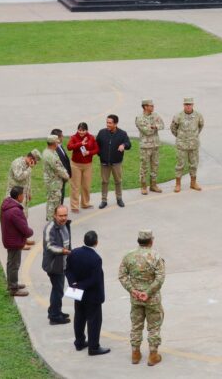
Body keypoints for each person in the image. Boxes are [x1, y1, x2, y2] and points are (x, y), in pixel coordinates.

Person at [119, 229, 166, 366]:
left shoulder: (129, 256)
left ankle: (135, 353)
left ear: (138, 241)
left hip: (136, 298)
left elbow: (122, 276)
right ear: (151, 240)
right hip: (152, 299)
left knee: (136, 325)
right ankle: (153, 355)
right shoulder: (155, 256)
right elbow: (160, 278)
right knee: (154, 326)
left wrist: (132, 290)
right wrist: (148, 292)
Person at [66, 230, 109, 356]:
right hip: (92, 295)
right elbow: (95, 279)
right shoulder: (96, 259)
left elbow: (68, 270)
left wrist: (73, 283)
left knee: (79, 317)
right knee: (94, 321)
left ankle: (79, 342)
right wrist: (81, 285)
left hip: (77, 292)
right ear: (96, 242)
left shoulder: (74, 253)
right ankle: (93, 347)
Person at [0, 186, 33, 296]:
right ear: (19, 196)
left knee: (11, 264)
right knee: (14, 265)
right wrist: (30, 232)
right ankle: (13, 288)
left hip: (9, 240)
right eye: (23, 194)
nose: (24, 196)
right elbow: (23, 227)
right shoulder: (15, 211)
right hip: (14, 241)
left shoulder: (7, 205)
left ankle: (12, 283)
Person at [43, 205, 71, 325]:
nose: (63, 218)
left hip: (63, 263)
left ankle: (55, 310)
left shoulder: (66, 225)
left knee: (58, 289)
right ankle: (54, 316)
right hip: (54, 265)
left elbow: (68, 242)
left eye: (65, 215)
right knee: (58, 290)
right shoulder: (50, 228)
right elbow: (49, 246)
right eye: (60, 216)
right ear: (55, 215)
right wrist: (63, 251)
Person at [96, 115, 131, 209]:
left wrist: (123, 145)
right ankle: (104, 200)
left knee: (118, 181)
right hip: (104, 163)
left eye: (110, 123)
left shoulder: (122, 134)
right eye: (107, 122)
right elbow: (96, 145)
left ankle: (119, 198)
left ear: (115, 124)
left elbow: (129, 144)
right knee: (104, 181)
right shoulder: (102, 132)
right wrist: (101, 154)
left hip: (117, 163)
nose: (107, 124)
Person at [170, 97, 205, 192]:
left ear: (193, 105)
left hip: (193, 145)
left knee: (194, 164)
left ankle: (193, 183)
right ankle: (178, 184)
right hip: (182, 145)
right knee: (180, 164)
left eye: (190, 104)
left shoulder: (198, 115)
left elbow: (200, 126)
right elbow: (173, 128)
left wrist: (194, 136)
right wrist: (180, 137)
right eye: (186, 104)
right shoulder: (178, 116)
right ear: (183, 105)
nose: (188, 106)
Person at [135, 99, 166, 195]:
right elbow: (147, 131)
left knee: (155, 165)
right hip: (145, 146)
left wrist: (154, 127)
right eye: (151, 106)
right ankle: (143, 186)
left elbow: (162, 125)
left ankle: (153, 185)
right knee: (144, 166)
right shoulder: (139, 118)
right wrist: (155, 127)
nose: (153, 107)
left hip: (155, 145)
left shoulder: (155, 115)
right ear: (145, 107)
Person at [67, 123, 98, 212]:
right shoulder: (73, 137)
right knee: (75, 186)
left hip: (88, 165)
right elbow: (69, 147)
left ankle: (85, 204)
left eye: (83, 130)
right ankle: (74, 206)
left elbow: (96, 149)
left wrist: (89, 153)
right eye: (79, 130)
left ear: (86, 130)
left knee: (86, 186)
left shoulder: (91, 137)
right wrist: (81, 143)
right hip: (75, 165)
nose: (81, 132)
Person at [41, 135, 71, 224]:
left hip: (53, 182)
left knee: (52, 201)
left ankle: (52, 220)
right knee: (54, 203)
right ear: (54, 143)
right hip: (54, 183)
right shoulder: (50, 155)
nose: (58, 143)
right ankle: (52, 222)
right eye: (57, 142)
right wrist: (67, 176)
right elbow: (58, 168)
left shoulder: (49, 151)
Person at [51, 127, 72, 206]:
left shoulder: (59, 146)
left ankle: (60, 214)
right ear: (57, 138)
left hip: (63, 177)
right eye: (61, 136)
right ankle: (57, 215)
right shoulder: (54, 149)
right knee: (57, 197)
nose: (63, 137)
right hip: (58, 178)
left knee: (61, 196)